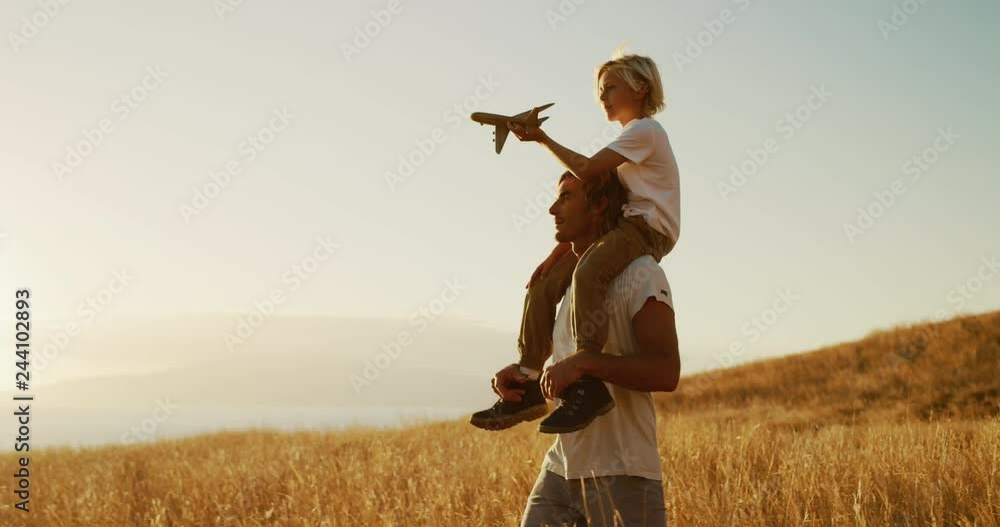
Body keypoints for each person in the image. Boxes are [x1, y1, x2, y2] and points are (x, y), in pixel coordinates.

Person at [471, 52, 680, 433]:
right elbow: (595, 186)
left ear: (641, 87)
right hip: (620, 225)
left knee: (588, 273)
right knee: (544, 283)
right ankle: (528, 378)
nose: (603, 97)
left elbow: (584, 170)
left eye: (611, 88)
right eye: (601, 90)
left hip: (647, 228)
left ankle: (588, 381)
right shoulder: (629, 137)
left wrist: (540, 137)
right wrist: (556, 253)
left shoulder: (646, 131)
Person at [506, 171, 681, 526]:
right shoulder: (575, 286)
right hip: (561, 469)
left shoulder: (641, 273)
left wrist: (588, 363)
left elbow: (666, 371)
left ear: (600, 206)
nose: (553, 209)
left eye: (567, 197)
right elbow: (570, 368)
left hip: (624, 473)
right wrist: (527, 374)